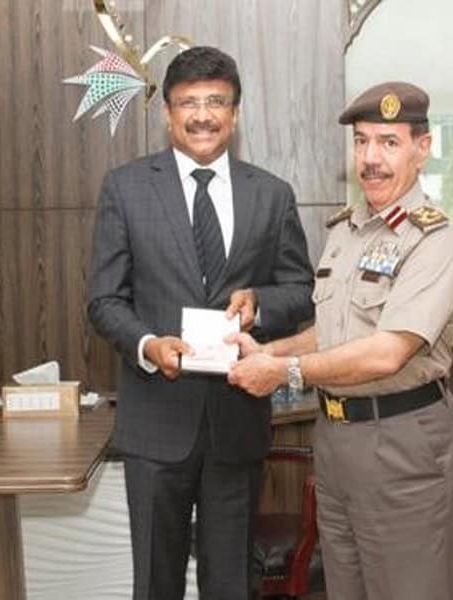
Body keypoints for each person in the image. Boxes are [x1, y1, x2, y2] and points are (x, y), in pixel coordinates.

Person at [226, 81, 453, 600]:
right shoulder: (346, 232)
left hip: (402, 442)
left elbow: (387, 352)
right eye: (362, 141)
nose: (370, 158)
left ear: (422, 149)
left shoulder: (436, 242)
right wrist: (269, 351)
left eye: (388, 142)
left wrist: (285, 372)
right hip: (337, 440)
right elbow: (334, 330)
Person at [87, 46, 314, 599]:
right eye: (188, 103)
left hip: (237, 422)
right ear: (167, 113)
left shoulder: (272, 194)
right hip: (156, 422)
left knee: (231, 582)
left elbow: (301, 292)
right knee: (156, 582)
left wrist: (260, 302)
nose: (202, 115)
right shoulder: (126, 188)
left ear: (235, 113)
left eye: (216, 101)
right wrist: (148, 345)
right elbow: (105, 300)